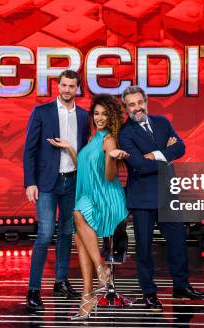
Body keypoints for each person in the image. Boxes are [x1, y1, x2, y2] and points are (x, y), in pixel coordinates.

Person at [118, 85, 204, 310]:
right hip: (142, 199)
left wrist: (155, 155)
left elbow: (181, 147)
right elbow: (138, 165)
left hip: (168, 194)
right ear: (126, 108)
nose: (137, 108)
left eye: (140, 102)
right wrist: (165, 155)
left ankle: (181, 285)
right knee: (145, 248)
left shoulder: (162, 123)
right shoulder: (125, 133)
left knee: (178, 242)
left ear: (145, 102)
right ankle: (149, 292)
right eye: (131, 105)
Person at [49, 94, 130, 320]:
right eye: (96, 113)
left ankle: (101, 269)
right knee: (79, 234)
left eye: (105, 114)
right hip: (89, 194)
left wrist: (111, 157)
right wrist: (70, 149)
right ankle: (87, 296)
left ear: (111, 116)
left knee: (77, 213)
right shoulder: (93, 139)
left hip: (107, 197)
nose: (100, 117)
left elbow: (109, 175)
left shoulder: (109, 140)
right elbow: (82, 166)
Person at [23, 70, 90, 312]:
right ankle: (33, 289)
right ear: (58, 86)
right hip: (47, 183)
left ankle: (61, 282)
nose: (66, 90)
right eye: (63, 85)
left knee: (66, 233)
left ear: (77, 89)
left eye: (71, 86)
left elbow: (83, 151)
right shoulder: (41, 112)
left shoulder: (84, 116)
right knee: (45, 233)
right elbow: (29, 150)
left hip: (72, 182)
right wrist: (30, 182)